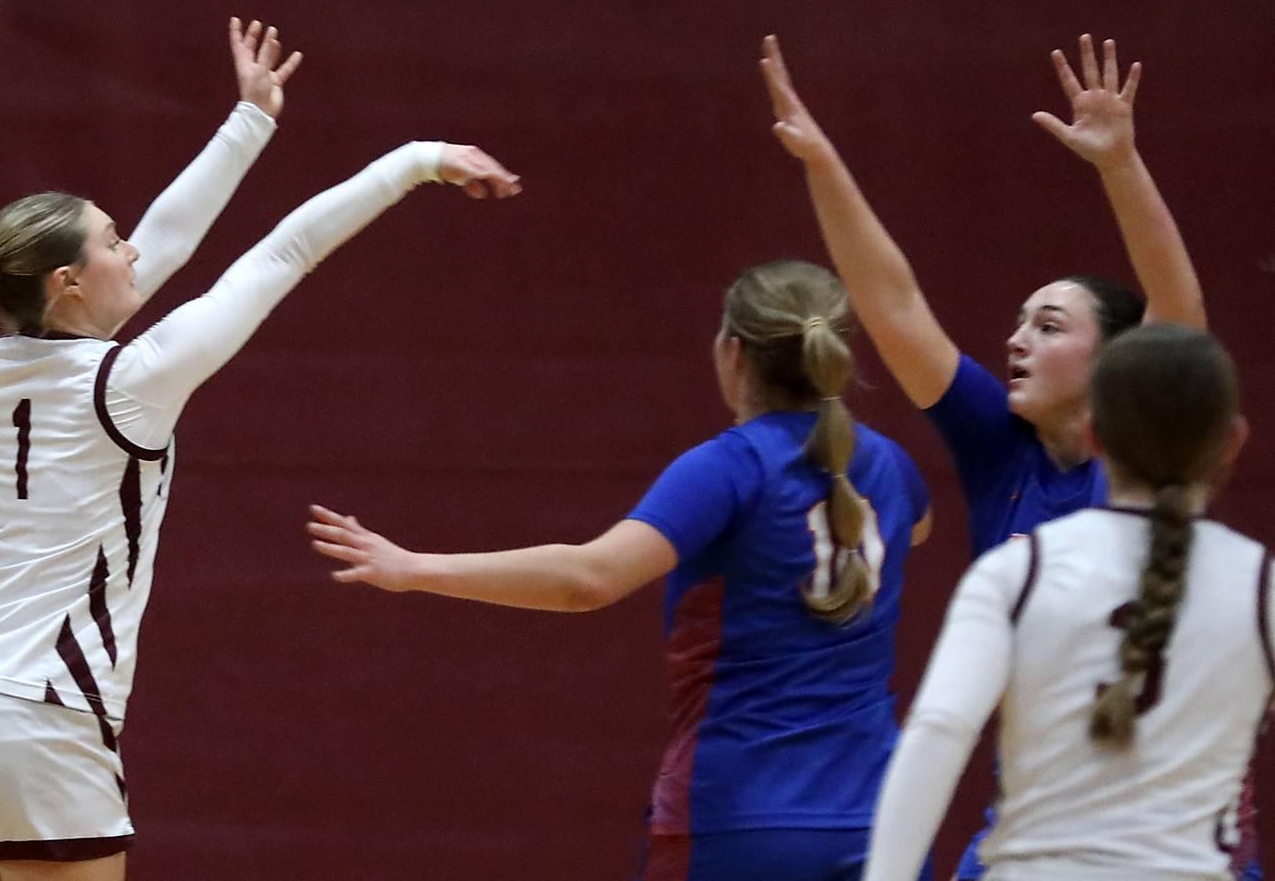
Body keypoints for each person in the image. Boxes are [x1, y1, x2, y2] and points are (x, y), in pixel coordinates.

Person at [0, 17, 520, 881]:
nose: (134, 251)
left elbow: (165, 237)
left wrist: (251, 119)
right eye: (113, 241)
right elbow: (286, 250)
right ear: (67, 282)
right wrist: (417, 159)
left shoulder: (5, 361)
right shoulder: (129, 382)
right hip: (38, 711)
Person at [756, 33, 1259, 879]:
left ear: (1117, 364)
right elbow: (896, 305)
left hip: (1176, 842)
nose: (1016, 339)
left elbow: (1179, 316)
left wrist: (1121, 168)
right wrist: (822, 162)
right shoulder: (1002, 448)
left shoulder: (1151, 463)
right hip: (1040, 830)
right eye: (1021, 321)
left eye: (1050, 326)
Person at [309, 259, 934, 881]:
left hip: (739, 820)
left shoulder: (731, 467)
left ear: (734, 354)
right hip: (883, 824)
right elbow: (916, 526)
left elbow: (590, 578)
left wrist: (414, 567)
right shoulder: (889, 467)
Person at [861, 323, 1267, 881]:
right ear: (1233, 441)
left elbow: (937, 733)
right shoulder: (1260, 586)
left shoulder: (1017, 571)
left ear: (1095, 435)